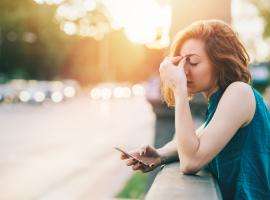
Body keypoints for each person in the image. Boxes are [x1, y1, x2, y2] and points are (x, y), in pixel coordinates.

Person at [120, 20, 270, 199]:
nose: (183, 71)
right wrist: (159, 154)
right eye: (181, 62)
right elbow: (197, 138)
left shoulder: (239, 92)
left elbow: (190, 161)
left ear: (220, 62)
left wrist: (179, 90)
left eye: (193, 62)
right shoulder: (220, 102)